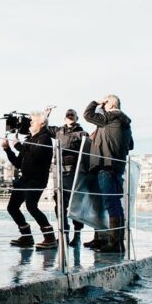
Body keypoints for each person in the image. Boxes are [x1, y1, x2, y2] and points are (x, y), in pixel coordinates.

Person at [83, 94, 133, 253]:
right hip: (118, 167)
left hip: (106, 165)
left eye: (105, 104)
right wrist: (101, 135)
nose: (102, 107)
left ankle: (114, 244)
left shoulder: (110, 116)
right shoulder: (125, 122)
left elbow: (88, 115)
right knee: (115, 204)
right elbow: (130, 145)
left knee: (111, 204)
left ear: (110, 105)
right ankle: (118, 243)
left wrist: (96, 102)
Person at [2, 111, 56, 249]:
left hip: (37, 179)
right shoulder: (29, 140)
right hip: (24, 179)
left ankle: (50, 238)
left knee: (31, 207)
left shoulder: (45, 138)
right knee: (12, 208)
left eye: (33, 120)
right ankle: (27, 237)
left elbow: (36, 156)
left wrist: (19, 146)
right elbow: (18, 163)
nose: (30, 122)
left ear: (42, 123)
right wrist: (8, 149)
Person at [44, 106, 86, 247]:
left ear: (76, 118)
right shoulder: (58, 131)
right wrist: (47, 114)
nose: (70, 114)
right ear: (64, 117)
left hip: (74, 173)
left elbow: (86, 153)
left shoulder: (82, 133)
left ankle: (77, 236)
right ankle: (64, 235)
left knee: (75, 204)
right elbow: (44, 127)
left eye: (73, 113)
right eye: (68, 113)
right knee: (59, 204)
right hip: (58, 173)